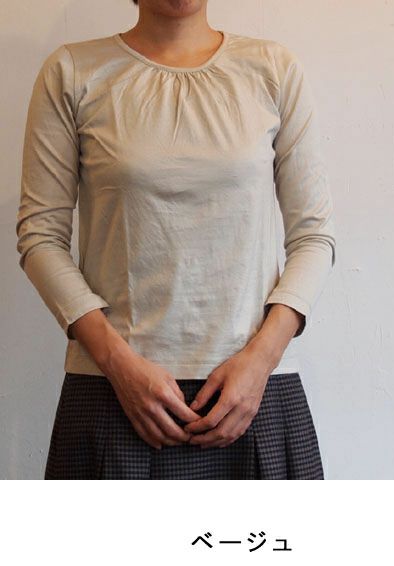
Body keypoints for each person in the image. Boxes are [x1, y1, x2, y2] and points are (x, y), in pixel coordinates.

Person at [15, 0, 336, 479]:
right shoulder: (73, 72)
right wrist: (117, 364)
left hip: (254, 392)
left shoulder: (273, 69)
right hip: (112, 389)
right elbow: (40, 235)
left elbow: (313, 235)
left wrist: (261, 360)